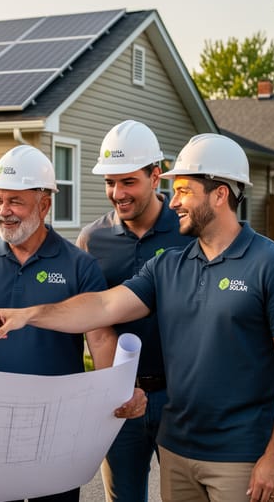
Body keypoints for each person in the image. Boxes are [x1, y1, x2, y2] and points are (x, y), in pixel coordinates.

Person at [0, 134, 274, 502]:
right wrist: (29, 315)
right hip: (178, 446)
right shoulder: (170, 265)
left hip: (239, 454)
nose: (176, 201)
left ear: (220, 194)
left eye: (184, 190)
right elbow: (103, 308)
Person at [0, 145, 147, 502]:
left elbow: (100, 338)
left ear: (44, 205)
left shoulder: (78, 265)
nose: (3, 212)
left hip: (57, 427)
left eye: (15, 201)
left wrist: (121, 392)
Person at [76, 121, 193, 502]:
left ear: (155, 175)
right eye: (110, 182)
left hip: (181, 396)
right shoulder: (93, 240)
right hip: (118, 397)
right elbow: (91, 319)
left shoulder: (188, 231)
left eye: (128, 182)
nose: (117, 193)